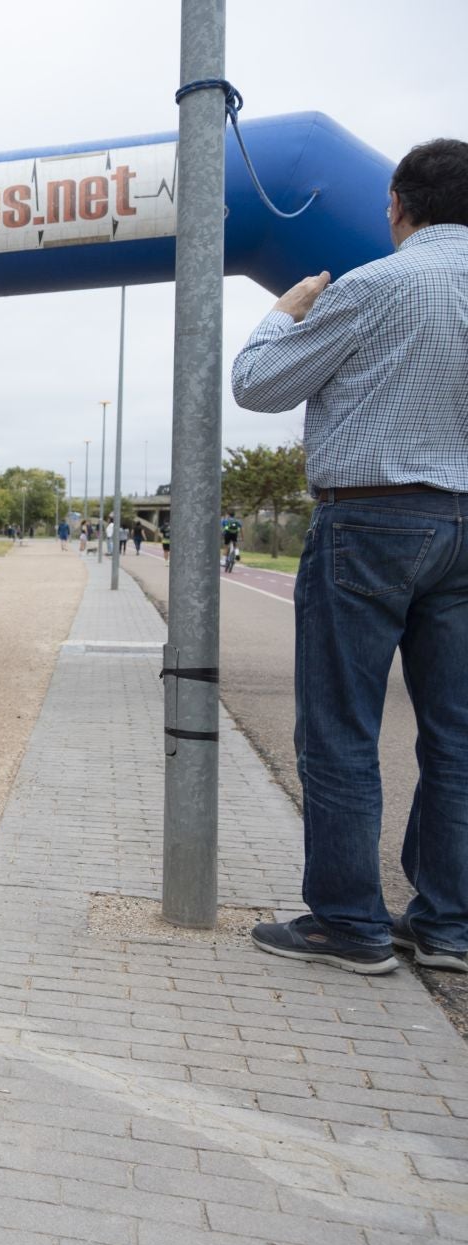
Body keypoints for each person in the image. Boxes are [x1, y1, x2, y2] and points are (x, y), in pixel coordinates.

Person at [232, 137, 468, 976]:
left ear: (399, 205)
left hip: (373, 520)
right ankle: (449, 923)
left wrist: (286, 308)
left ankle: (346, 921)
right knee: (456, 734)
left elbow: (258, 384)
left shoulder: (379, 284)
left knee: (340, 729)